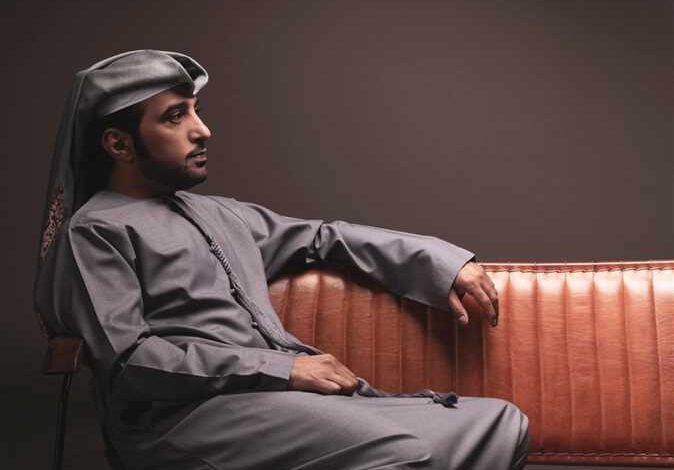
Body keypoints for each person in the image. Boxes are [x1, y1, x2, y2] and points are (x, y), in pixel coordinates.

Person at [34, 50, 528, 470]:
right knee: (402, 455)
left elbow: (324, 237)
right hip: (183, 420)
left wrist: (440, 262)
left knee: (498, 424)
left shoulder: (219, 214)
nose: (202, 131)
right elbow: (130, 362)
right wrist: (283, 369)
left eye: (196, 111)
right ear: (119, 143)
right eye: (175, 117)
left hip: (277, 405)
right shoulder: (95, 231)